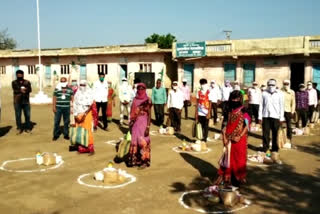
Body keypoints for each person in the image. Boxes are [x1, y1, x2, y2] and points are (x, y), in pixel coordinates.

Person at [215, 90, 250, 187]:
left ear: (240, 99)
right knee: (228, 158)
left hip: (240, 139)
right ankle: (227, 178)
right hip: (228, 138)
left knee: (239, 157)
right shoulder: (228, 109)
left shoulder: (244, 110)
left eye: (237, 99)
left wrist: (239, 136)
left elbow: (247, 125)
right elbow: (224, 125)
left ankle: (238, 179)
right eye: (233, 98)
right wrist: (224, 138)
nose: (235, 100)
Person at [258, 79, 284, 164]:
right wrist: (260, 117)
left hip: (276, 117)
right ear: (267, 85)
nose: (271, 86)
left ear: (275, 85)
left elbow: (281, 106)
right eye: (269, 85)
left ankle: (275, 149)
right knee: (265, 133)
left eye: (273, 85)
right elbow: (261, 105)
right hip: (265, 116)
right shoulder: (264, 93)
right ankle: (266, 149)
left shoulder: (280, 94)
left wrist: (281, 117)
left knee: (275, 134)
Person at [127, 83, 152, 168]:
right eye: (139, 89)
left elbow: (149, 114)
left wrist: (148, 127)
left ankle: (144, 161)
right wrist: (130, 123)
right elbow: (131, 112)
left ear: (145, 89)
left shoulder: (147, 100)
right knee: (134, 141)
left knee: (143, 141)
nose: (140, 90)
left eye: (142, 89)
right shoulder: (134, 100)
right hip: (135, 124)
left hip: (144, 122)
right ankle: (135, 161)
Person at [72, 80, 95, 154]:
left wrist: (84, 114)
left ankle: (90, 147)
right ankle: (82, 147)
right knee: (79, 130)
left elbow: (91, 105)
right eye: (81, 85)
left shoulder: (90, 93)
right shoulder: (77, 94)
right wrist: (75, 115)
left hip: (87, 114)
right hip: (78, 114)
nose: (82, 86)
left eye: (84, 85)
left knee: (87, 130)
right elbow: (74, 104)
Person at [11, 70, 32, 134]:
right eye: (18, 74)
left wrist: (25, 90)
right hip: (17, 101)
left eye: (21, 74)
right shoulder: (14, 82)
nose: (19, 75)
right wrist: (21, 90)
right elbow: (15, 89)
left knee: (27, 115)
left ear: (23, 75)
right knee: (18, 115)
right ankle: (19, 128)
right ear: (16, 75)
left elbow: (30, 89)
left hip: (26, 101)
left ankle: (27, 128)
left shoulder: (27, 82)